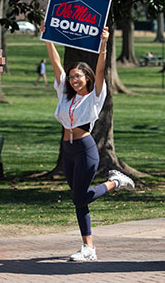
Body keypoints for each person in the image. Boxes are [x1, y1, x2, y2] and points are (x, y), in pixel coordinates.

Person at [41, 22, 135, 262]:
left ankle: (115, 181)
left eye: (79, 77)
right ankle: (88, 248)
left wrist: (103, 43)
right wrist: (47, 37)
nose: (74, 80)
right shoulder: (65, 93)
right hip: (68, 150)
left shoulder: (94, 97)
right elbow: (55, 64)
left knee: (79, 197)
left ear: (87, 78)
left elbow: (101, 70)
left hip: (85, 149)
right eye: (72, 77)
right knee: (78, 199)